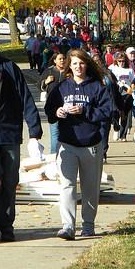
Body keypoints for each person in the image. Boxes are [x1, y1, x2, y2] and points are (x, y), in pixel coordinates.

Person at [0, 28, 43, 242]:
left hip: (9, 133)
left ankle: (6, 224)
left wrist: (34, 131)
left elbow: (25, 98)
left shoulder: (8, 67)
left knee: (10, 178)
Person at [44, 49, 112, 240]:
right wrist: (57, 112)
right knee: (67, 185)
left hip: (91, 144)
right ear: (69, 66)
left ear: (87, 64)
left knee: (90, 188)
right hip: (67, 144)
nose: (78, 67)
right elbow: (50, 110)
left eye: (81, 63)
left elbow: (107, 112)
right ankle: (68, 226)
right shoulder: (62, 87)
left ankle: (88, 225)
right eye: (74, 64)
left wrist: (85, 110)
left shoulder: (97, 87)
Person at [38, 52, 69, 153]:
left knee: (66, 134)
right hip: (53, 107)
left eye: (64, 58)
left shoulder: (69, 72)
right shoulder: (49, 71)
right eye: (59, 59)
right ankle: (54, 158)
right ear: (55, 60)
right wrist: (46, 82)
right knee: (55, 134)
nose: (62, 60)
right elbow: (39, 85)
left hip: (67, 108)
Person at [109, 52, 135, 141]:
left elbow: (133, 81)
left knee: (125, 114)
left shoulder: (129, 70)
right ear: (116, 61)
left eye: (123, 61)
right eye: (119, 61)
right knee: (115, 112)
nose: (121, 63)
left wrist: (131, 90)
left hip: (127, 94)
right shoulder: (112, 68)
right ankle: (116, 128)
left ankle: (123, 135)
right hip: (116, 93)